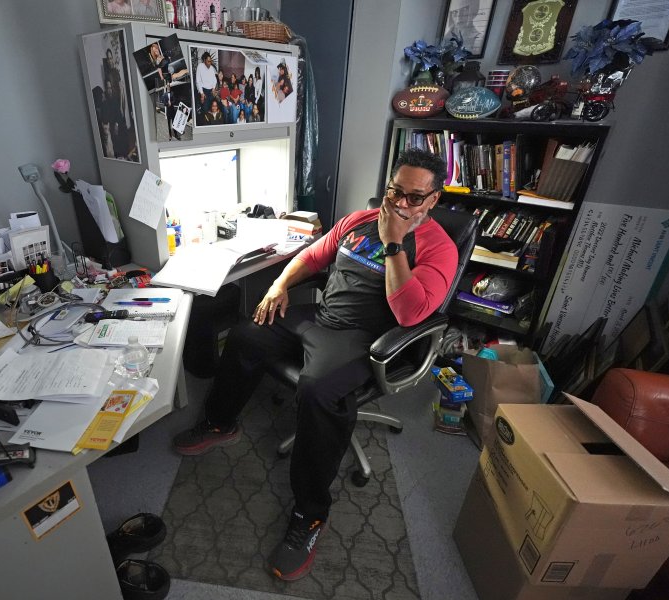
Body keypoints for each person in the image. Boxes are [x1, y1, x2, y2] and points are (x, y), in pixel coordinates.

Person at [173, 148, 458, 580]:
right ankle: (219, 422)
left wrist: (394, 243)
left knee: (317, 391)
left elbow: (409, 314)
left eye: (414, 198)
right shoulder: (358, 221)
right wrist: (278, 285)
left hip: (365, 339)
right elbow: (312, 256)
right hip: (322, 319)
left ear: (433, 199)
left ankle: (310, 513)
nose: (401, 204)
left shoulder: (439, 249)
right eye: (395, 191)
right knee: (248, 331)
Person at [195, 51, 217, 117]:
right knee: (205, 110)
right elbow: (198, 81)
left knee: (212, 109)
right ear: (204, 60)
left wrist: (213, 88)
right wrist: (201, 93)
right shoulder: (200, 66)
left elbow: (214, 80)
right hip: (204, 92)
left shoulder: (212, 68)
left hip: (211, 92)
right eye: (208, 61)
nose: (210, 63)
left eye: (210, 61)